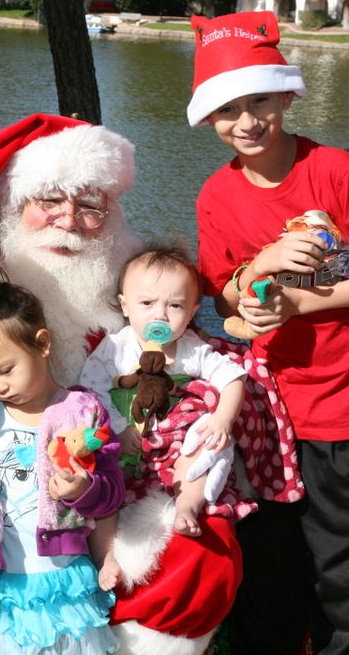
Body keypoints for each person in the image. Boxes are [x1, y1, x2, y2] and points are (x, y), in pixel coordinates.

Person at [0, 114, 245, 655]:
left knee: (201, 559)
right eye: (49, 201)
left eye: (90, 206)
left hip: (107, 495)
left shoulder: (135, 297)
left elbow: (191, 381)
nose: (69, 222)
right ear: (13, 204)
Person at [188, 11, 349, 655]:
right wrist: (257, 282)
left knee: (339, 569)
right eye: (227, 110)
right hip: (266, 406)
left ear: (287, 94)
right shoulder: (216, 194)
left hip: (344, 399)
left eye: (259, 100)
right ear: (208, 119)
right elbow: (226, 291)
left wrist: (301, 305)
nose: (246, 122)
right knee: (271, 564)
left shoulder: (333, 169)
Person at [0, 266, 124, 654]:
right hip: (7, 583)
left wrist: (83, 489)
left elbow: (113, 492)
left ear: (43, 344)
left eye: (6, 370)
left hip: (68, 576)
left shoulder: (80, 410)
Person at [79, 246, 248, 587]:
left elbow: (233, 378)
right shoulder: (116, 348)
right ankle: (105, 556)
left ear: (192, 312)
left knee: (201, 449)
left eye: (174, 305)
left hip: (174, 448)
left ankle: (187, 506)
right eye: (147, 304)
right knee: (104, 489)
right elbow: (89, 391)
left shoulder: (190, 349)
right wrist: (120, 426)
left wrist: (221, 421)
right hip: (127, 444)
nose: (160, 315)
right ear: (125, 305)